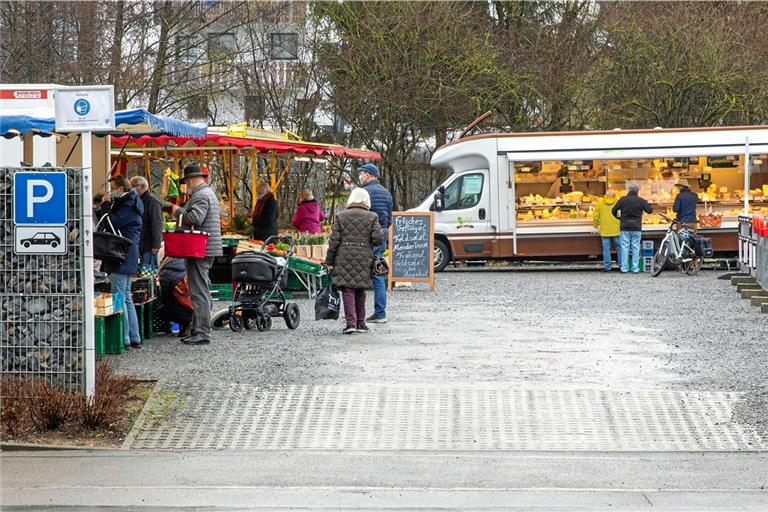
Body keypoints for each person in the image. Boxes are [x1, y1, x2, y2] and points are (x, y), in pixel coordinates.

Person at [170, 163, 223, 345]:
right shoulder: (208, 193)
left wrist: (178, 211)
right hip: (206, 248)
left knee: (198, 291)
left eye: (186, 182)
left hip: (199, 249)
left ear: (191, 180)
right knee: (201, 289)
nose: (187, 185)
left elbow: (195, 218)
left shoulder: (200, 195)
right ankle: (197, 329)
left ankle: (202, 332)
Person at [325, 188, 383, 334]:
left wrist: (329, 260)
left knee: (348, 290)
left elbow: (334, 241)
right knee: (361, 290)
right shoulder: (372, 216)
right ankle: (361, 323)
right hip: (364, 257)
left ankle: (350, 323)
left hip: (344, 256)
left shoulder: (341, 216)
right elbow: (377, 240)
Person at [96, 175, 144, 349]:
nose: (111, 192)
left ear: (121, 189)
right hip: (128, 255)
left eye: (113, 189)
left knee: (119, 297)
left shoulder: (126, 206)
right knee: (126, 297)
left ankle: (124, 338)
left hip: (120, 256)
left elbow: (110, 224)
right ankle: (134, 336)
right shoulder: (134, 204)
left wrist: (106, 205)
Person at [358, 163, 392, 323]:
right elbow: (390, 218)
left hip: (366, 237)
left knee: (359, 273)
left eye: (362, 173)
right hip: (382, 235)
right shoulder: (386, 193)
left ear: (369, 174)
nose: (361, 175)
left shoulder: (364, 192)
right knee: (378, 274)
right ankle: (380, 311)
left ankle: (357, 315)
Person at [612, 184, 653, 273]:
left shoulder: (623, 200)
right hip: (636, 227)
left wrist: (619, 218)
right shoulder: (641, 200)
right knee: (636, 247)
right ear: (637, 191)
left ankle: (624, 268)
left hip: (625, 226)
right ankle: (635, 268)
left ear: (628, 190)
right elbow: (650, 211)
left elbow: (613, 210)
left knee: (624, 247)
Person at [129, 176, 164, 268]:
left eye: (134, 186)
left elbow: (157, 224)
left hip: (148, 245)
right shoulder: (136, 201)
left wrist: (156, 244)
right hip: (141, 243)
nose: (132, 188)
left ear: (143, 186)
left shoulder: (152, 202)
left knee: (148, 272)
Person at [156, 256, 194, 337]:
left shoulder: (166, 272)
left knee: (160, 310)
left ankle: (179, 325)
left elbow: (165, 296)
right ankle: (187, 325)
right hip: (201, 308)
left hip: (184, 309)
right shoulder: (192, 267)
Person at [592, 189, 621, 272]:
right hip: (616, 228)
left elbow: (596, 216)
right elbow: (621, 214)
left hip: (604, 229)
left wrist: (596, 225)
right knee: (619, 248)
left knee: (606, 249)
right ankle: (622, 265)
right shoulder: (618, 202)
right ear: (614, 195)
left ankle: (607, 266)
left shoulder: (600, 203)